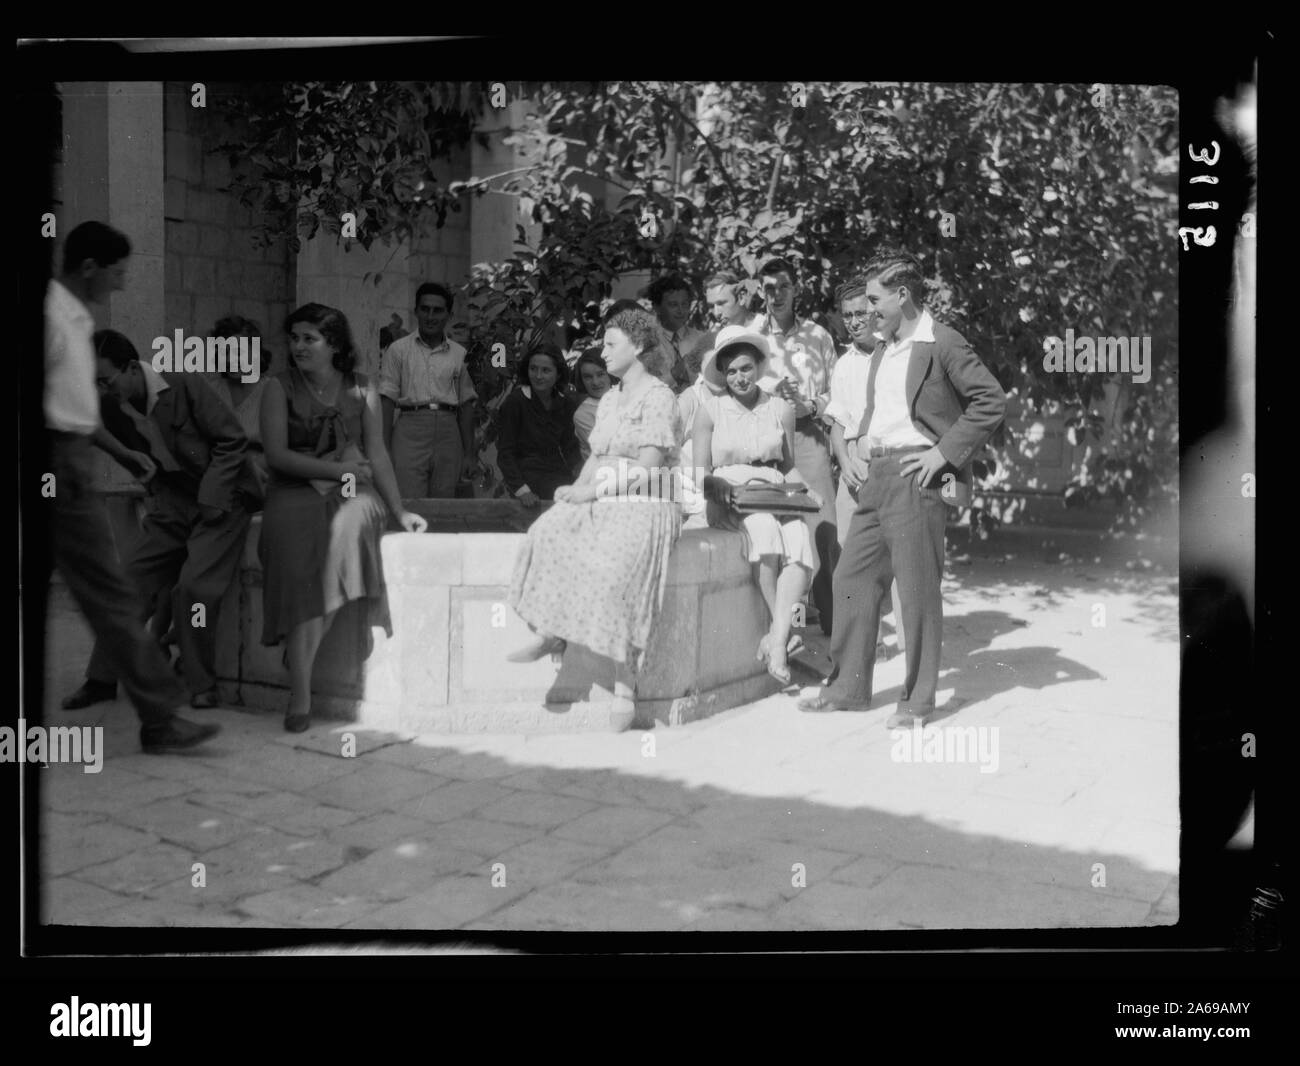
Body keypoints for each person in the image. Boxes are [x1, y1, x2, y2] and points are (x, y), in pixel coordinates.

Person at [798, 249, 1007, 726]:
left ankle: (916, 702)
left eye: (874, 300)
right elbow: (877, 413)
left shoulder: (941, 342)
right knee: (851, 579)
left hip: (917, 478)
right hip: (876, 476)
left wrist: (942, 454)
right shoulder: (884, 348)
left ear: (902, 295)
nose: (867, 310)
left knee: (915, 591)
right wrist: (857, 449)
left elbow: (990, 401)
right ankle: (847, 689)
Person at [45, 221, 220, 753]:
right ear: (91, 267)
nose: (122, 284)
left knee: (111, 589)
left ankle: (157, 714)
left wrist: (124, 454)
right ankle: (160, 718)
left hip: (70, 457)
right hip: (57, 464)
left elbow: (77, 414)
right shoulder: (54, 317)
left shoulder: (75, 320)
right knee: (111, 591)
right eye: (118, 272)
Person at [505, 307, 683, 732]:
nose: (602, 353)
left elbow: (648, 468)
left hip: (648, 498)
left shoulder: (659, 397)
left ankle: (626, 682)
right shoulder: (610, 400)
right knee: (547, 530)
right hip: (604, 490)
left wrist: (593, 491)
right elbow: (598, 458)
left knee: (616, 562)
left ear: (638, 346)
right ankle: (552, 628)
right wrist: (575, 494)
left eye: (610, 344)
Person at [62, 326, 252, 711]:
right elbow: (122, 449)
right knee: (128, 581)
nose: (100, 390)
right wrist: (150, 485)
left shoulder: (184, 385)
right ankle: (101, 678)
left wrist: (213, 498)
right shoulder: (110, 405)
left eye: (104, 380)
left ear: (132, 368)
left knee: (194, 589)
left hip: (224, 500)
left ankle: (200, 682)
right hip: (173, 502)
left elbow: (232, 440)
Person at [260, 302, 428, 732]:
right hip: (296, 487)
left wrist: (399, 509)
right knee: (297, 551)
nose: (299, 346)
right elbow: (277, 456)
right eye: (294, 338)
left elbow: (378, 454)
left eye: (309, 339)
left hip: (353, 487)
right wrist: (336, 470)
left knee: (350, 530)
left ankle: (300, 659)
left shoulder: (362, 387)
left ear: (333, 345)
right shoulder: (278, 387)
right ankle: (301, 689)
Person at [693, 326, 815, 685]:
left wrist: (808, 491)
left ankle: (777, 639)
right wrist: (716, 486)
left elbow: (788, 464)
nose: (738, 377)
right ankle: (784, 636)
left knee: (799, 539)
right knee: (763, 529)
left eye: (745, 368)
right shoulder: (709, 411)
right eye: (730, 371)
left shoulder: (779, 408)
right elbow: (701, 474)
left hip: (774, 491)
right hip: (731, 496)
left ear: (758, 367)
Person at [755, 256, 839, 635]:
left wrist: (814, 406)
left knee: (823, 529)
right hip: (764, 444)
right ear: (761, 291)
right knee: (771, 531)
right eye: (769, 288)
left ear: (796, 288)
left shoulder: (818, 335)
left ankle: (835, 624)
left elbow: (837, 393)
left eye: (783, 286)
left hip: (808, 437)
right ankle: (779, 627)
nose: (776, 295)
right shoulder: (751, 336)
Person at [826, 279, 906, 657]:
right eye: (847, 316)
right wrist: (844, 463)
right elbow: (837, 426)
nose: (855, 321)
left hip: (893, 461)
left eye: (861, 313)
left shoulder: (899, 354)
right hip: (855, 466)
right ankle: (865, 642)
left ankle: (911, 645)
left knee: (901, 555)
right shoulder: (844, 364)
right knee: (850, 556)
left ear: (876, 311)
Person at [379, 282, 477, 498]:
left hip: (448, 431)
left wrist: (470, 454)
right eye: (425, 309)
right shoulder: (398, 350)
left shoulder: (460, 354)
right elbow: (386, 399)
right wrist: (383, 448)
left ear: (449, 315)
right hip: (410, 429)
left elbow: (467, 405)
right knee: (409, 499)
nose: (430, 316)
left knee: (445, 501)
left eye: (438, 310)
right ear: (416, 311)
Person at [495, 346, 583, 505]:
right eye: (533, 369)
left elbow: (571, 449)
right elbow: (505, 454)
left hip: (559, 475)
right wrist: (522, 491)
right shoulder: (515, 402)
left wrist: (582, 476)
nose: (538, 376)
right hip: (527, 480)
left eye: (546, 370)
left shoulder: (566, 404)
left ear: (559, 374)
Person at [650, 274, 705, 391]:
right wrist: (675, 373)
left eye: (684, 304)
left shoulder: (701, 339)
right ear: (657, 307)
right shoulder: (646, 344)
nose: (681, 311)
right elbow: (644, 390)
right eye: (673, 305)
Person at [571, 349, 614, 460]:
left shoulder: (624, 394)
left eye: (600, 374)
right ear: (582, 380)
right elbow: (608, 451)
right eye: (588, 377)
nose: (595, 382)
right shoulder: (583, 415)